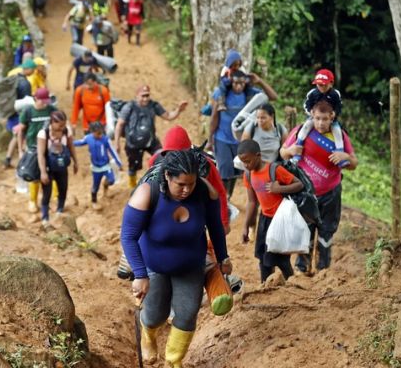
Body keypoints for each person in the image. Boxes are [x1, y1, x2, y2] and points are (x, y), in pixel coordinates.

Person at [120, 149, 232, 367]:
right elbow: (128, 236)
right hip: (153, 265)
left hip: (191, 264)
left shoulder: (204, 193)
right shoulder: (146, 193)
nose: (186, 190)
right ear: (167, 176)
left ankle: (174, 360)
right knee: (155, 315)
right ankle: (149, 337)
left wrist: (223, 257)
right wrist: (140, 275)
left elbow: (216, 228)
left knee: (187, 314)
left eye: (191, 183)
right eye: (180, 184)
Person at [280, 100, 358, 272]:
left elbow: (354, 163)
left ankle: (324, 269)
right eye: (317, 118)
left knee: (326, 232)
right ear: (311, 116)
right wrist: (291, 150)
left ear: (332, 117)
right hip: (306, 193)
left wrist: (344, 155)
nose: (320, 123)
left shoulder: (340, 137)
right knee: (304, 229)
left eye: (324, 119)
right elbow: (283, 152)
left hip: (331, 193)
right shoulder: (302, 131)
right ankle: (302, 268)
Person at [238, 139, 303, 282]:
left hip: (281, 220)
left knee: (281, 258)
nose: (246, 165)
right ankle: (265, 286)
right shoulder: (248, 175)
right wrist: (245, 226)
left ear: (258, 155)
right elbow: (251, 202)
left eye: (248, 161)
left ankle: (292, 283)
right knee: (263, 257)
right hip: (265, 219)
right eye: (243, 162)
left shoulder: (274, 170)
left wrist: (279, 189)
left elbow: (299, 184)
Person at [209, 71, 276, 200]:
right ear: (231, 82)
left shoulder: (250, 94)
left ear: (245, 83)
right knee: (224, 169)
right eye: (235, 83)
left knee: (235, 170)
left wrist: (260, 81)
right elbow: (214, 117)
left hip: (240, 141)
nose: (238, 86)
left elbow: (273, 97)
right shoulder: (222, 94)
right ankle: (222, 199)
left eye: (241, 83)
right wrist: (210, 139)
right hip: (222, 138)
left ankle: (228, 196)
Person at [114, 85, 189, 189]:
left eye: (147, 96)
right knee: (133, 167)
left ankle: (162, 183)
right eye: (143, 96)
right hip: (133, 143)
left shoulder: (153, 105)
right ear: (137, 96)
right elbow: (119, 124)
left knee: (163, 158)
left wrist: (179, 110)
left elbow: (168, 116)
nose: (145, 99)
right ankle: (132, 186)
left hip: (151, 141)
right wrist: (116, 143)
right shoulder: (129, 107)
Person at [292, 68, 347, 166]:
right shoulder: (313, 93)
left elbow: (339, 106)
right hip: (315, 118)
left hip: (330, 120)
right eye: (318, 84)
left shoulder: (335, 94)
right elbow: (307, 104)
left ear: (331, 83)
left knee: (338, 132)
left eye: (324, 85)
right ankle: (298, 147)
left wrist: (335, 113)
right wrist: (311, 112)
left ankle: (340, 155)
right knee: (305, 127)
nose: (321, 87)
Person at [17, 87, 58, 213]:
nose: (45, 103)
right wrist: (20, 150)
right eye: (42, 101)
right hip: (33, 147)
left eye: (46, 101)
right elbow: (21, 130)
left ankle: (55, 199)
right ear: (36, 98)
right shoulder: (28, 111)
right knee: (34, 174)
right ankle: (33, 200)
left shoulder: (51, 110)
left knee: (53, 172)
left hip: (49, 146)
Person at [37, 111, 78, 228]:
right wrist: (43, 172)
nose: (62, 127)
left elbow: (71, 146)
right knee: (47, 193)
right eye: (60, 125)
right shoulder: (43, 133)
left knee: (63, 189)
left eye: (64, 125)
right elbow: (40, 154)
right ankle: (45, 218)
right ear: (52, 123)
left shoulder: (66, 131)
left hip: (62, 166)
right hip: (48, 168)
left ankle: (59, 211)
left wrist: (75, 162)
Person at [74, 121, 123, 210]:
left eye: (101, 132)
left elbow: (112, 151)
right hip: (96, 168)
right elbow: (79, 142)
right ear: (92, 132)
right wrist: (68, 143)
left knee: (111, 180)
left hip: (106, 165)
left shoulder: (105, 139)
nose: (100, 135)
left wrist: (119, 162)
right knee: (95, 186)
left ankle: (105, 187)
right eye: (98, 133)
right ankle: (94, 201)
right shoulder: (88, 138)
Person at [4, 59, 37, 168]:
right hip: (20, 114)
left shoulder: (15, 79)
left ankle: (8, 159)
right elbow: (26, 102)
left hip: (11, 111)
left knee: (16, 136)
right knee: (24, 135)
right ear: (28, 69)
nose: (33, 72)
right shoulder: (25, 83)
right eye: (33, 69)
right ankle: (24, 161)